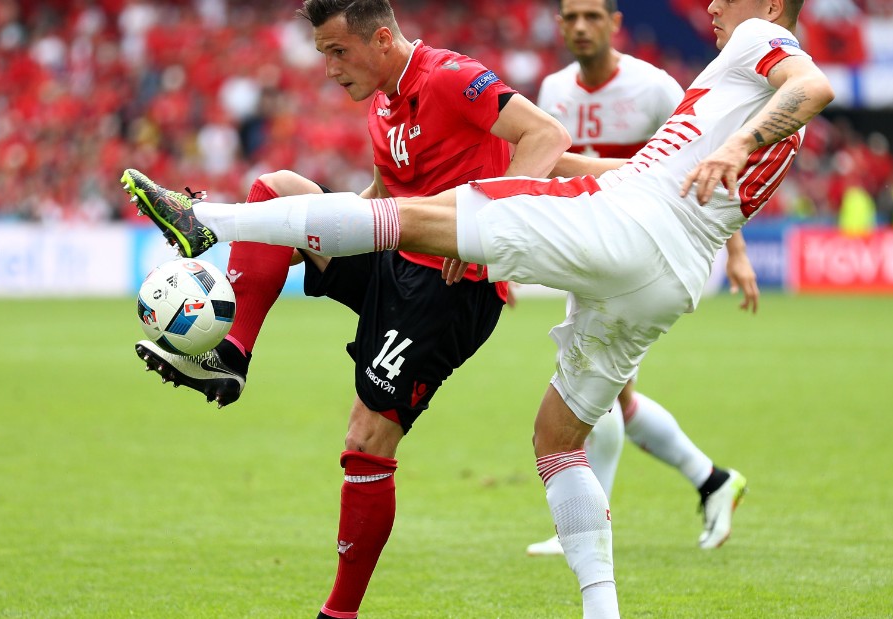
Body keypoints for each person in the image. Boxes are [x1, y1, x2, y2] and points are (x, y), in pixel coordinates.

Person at [123, 0, 833, 615]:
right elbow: (645, 164)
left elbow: (811, 82)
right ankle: (602, 608)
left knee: (417, 225)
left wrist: (742, 140)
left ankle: (207, 220)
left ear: (770, 4)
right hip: (668, 269)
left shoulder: (757, 44)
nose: (710, 6)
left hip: (605, 233)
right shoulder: (726, 80)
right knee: (557, 440)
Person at [131, 1, 570, 618]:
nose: (329, 68)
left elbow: (547, 135)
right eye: (321, 54)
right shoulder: (382, 106)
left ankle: (338, 613)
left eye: (338, 51)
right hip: (395, 258)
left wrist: (489, 229)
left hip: (449, 289)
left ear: (383, 37)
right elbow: (378, 202)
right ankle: (231, 356)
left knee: (367, 438)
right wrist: (287, 237)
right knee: (276, 191)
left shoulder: (449, 76)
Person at [524, 0, 755, 557]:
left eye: (592, 16)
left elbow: (712, 165)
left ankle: (582, 525)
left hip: (642, 252)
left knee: (590, 391)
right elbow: (537, 166)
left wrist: (738, 254)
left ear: (615, 24)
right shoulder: (553, 91)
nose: (581, 27)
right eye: (571, 17)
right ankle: (713, 480)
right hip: (584, 249)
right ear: (559, 26)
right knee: (616, 398)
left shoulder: (653, 88)